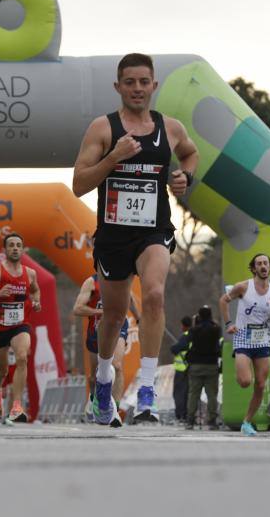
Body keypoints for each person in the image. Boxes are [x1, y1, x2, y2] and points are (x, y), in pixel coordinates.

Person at [72, 53, 199, 424]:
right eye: (130, 82)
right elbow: (79, 184)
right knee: (112, 317)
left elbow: (190, 154)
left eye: (144, 82)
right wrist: (114, 158)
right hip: (114, 235)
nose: (138, 89)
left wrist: (185, 178)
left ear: (154, 85)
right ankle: (103, 382)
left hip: (154, 229)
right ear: (118, 87)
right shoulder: (103, 128)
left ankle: (146, 390)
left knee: (155, 294)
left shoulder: (169, 128)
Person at [0, 233, 41, 423]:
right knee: (1, 371)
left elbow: (35, 290)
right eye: (11, 245)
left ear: (23, 249)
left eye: (19, 245)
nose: (15, 248)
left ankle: (17, 406)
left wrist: (36, 302)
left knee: (21, 357)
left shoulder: (30, 273)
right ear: (5, 249)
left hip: (21, 324)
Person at [218, 254, 270, 436]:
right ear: (254, 269)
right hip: (243, 338)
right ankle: (242, 371)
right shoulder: (243, 287)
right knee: (246, 381)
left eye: (265, 263)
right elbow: (223, 300)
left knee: (261, 385)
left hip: (262, 340)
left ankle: (246, 422)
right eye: (259, 264)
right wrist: (229, 323)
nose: (262, 266)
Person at [73, 273, 140, 425]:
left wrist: (139, 318)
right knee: (95, 376)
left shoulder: (121, 278)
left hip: (118, 326)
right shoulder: (91, 282)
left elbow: (129, 298)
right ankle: (93, 398)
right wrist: (101, 312)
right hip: (96, 331)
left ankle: (114, 409)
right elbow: (77, 309)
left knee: (117, 366)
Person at [184, 306, 222, 430]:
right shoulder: (216, 329)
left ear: (199, 316)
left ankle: (190, 420)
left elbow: (187, 342)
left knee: (193, 394)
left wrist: (195, 323)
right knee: (212, 395)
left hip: (196, 365)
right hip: (211, 365)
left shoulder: (194, 330)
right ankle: (212, 420)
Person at [169, 316, 194, 424]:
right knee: (188, 393)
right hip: (190, 368)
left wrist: (173, 347)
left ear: (183, 326)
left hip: (182, 369)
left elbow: (175, 349)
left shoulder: (186, 336)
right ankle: (187, 415)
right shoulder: (194, 335)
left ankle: (181, 416)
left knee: (179, 393)